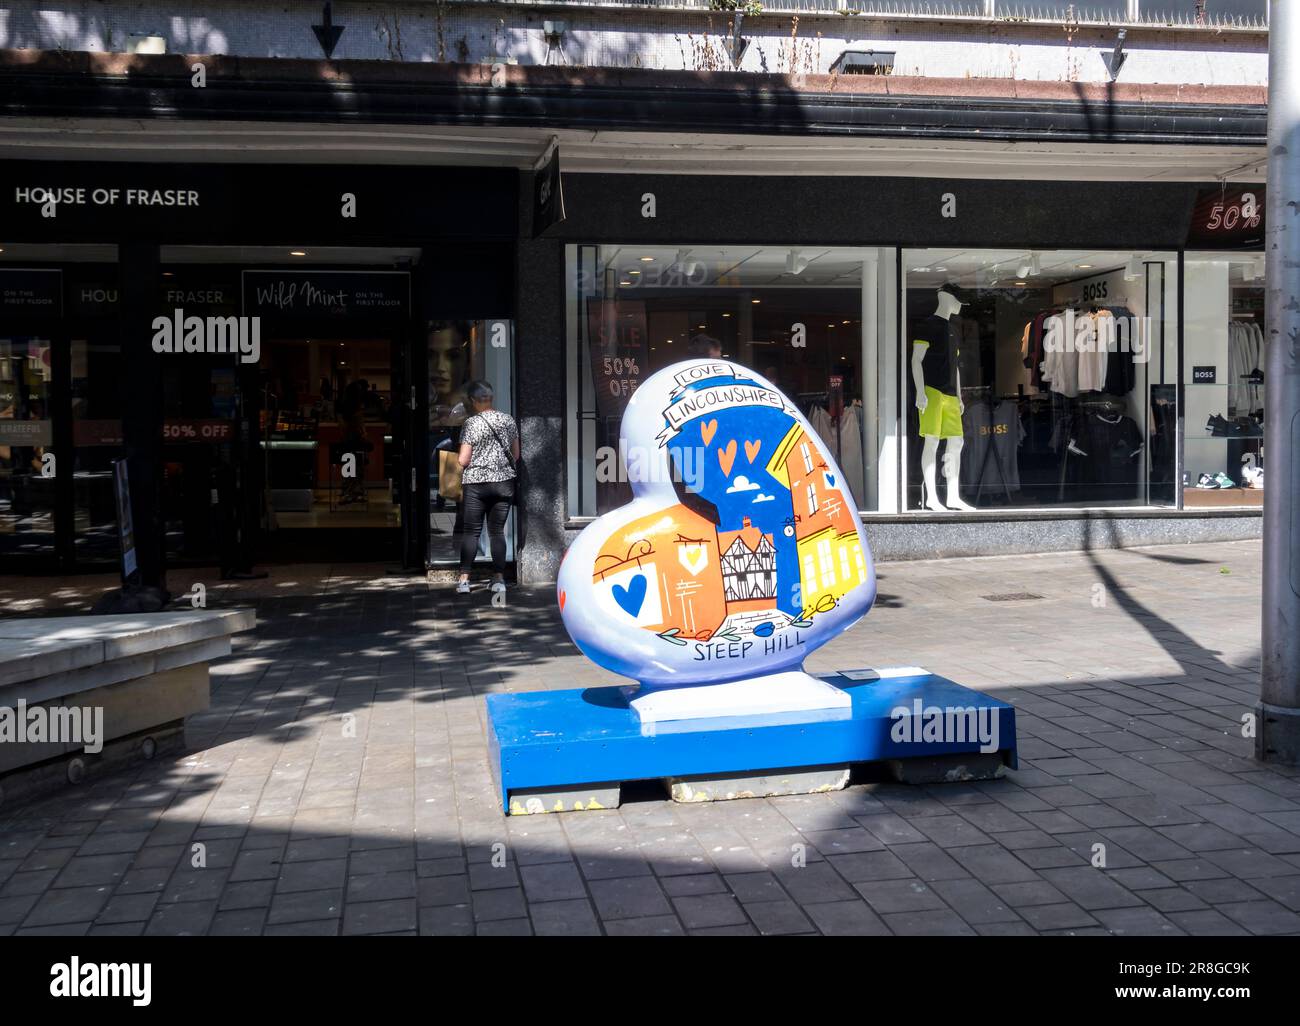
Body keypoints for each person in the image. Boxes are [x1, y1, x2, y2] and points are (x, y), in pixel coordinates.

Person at [456, 380, 519, 594]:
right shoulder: (508, 420)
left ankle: (464, 580)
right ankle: (499, 580)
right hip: (503, 483)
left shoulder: (471, 423)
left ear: (474, 401)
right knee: (496, 532)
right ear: (490, 398)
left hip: (476, 484)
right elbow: (516, 455)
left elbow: (464, 460)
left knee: (472, 532)